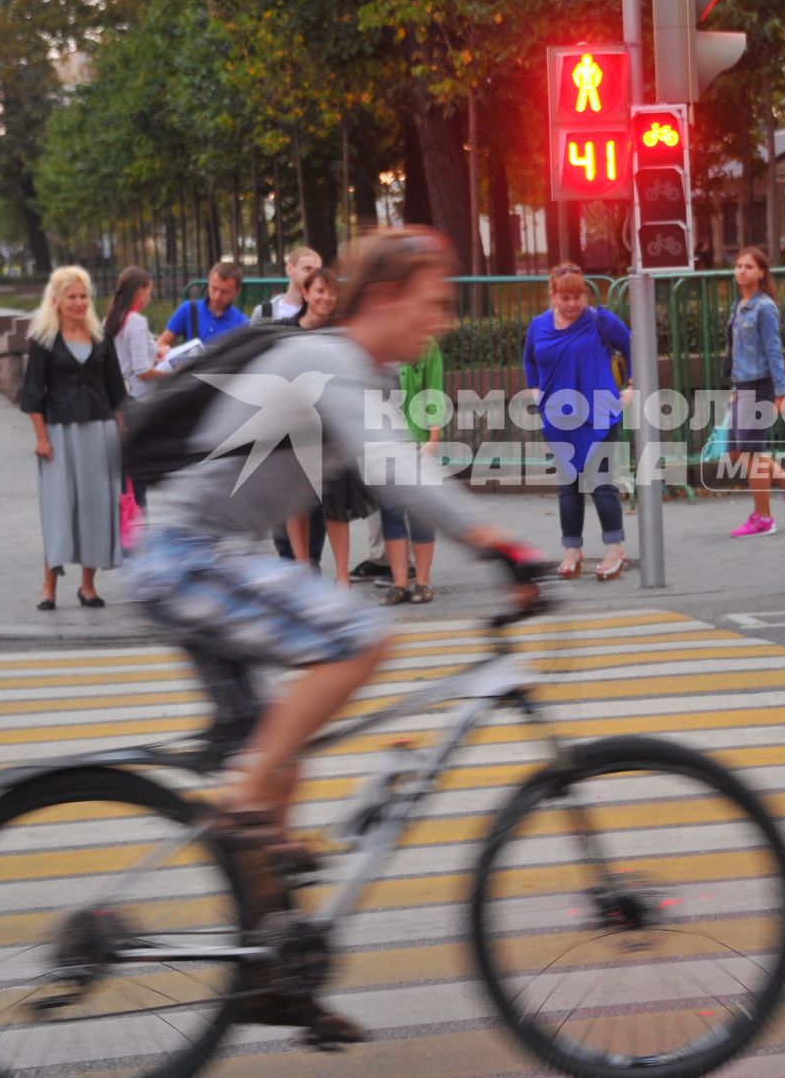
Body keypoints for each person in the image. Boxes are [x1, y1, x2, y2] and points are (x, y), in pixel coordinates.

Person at [133, 230, 538, 1039]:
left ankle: (274, 971)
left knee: (279, 760)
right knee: (361, 634)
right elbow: (395, 470)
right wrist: (498, 541)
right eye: (433, 305)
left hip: (198, 555)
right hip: (188, 558)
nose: (442, 323)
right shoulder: (332, 362)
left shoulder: (352, 368)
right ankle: (245, 807)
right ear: (386, 297)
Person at [19, 265, 127, 610]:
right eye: (72, 297)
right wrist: (41, 438)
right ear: (57, 301)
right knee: (59, 510)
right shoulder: (44, 341)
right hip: (58, 433)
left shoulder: (100, 338)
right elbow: (33, 394)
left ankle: (87, 587)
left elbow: (116, 393)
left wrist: (123, 435)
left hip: (99, 431)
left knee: (95, 508)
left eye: (83, 296)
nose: (79, 303)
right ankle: (48, 587)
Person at [523, 263, 631, 581]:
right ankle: (572, 550)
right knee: (568, 486)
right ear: (552, 296)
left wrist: (633, 387)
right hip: (557, 416)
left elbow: (633, 345)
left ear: (584, 294)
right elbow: (530, 358)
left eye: (577, 296)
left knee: (600, 483)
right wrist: (535, 391)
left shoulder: (600, 321)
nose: (572, 304)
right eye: (565, 297)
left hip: (599, 413)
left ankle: (615, 549)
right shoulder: (538, 325)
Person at [277, 267, 371, 583]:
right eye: (319, 291)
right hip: (294, 429)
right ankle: (303, 573)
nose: (326, 297)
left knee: (336, 508)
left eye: (331, 292)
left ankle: (342, 578)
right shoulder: (285, 332)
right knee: (296, 504)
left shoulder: (341, 333)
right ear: (305, 293)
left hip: (333, 430)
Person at [723, 247, 785, 538]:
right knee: (735, 452)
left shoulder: (764, 308)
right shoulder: (740, 305)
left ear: (761, 273)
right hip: (743, 385)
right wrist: (735, 387)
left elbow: (774, 352)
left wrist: (782, 392)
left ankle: (764, 518)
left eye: (748, 266)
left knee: (751, 454)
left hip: (760, 386)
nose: (741, 271)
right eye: (738, 266)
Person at [381, 335, 444, 605]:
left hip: (417, 440)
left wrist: (433, 439)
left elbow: (434, 392)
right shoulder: (376, 343)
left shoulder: (425, 344)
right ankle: (399, 583)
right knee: (391, 513)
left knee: (420, 512)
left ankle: (423, 581)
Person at [156, 261, 246, 356]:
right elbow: (161, 343)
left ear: (237, 292)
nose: (217, 296)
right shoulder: (189, 309)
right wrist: (165, 352)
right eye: (214, 288)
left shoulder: (243, 323)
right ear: (208, 284)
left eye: (225, 292)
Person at [105, 265, 167, 399]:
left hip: (118, 395)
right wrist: (175, 375)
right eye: (149, 293)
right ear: (140, 291)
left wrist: (155, 353)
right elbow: (143, 372)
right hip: (141, 398)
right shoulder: (136, 322)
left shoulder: (109, 320)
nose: (149, 299)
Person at [250, 246, 323, 324]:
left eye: (317, 271)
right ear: (290, 269)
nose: (312, 275)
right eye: (307, 269)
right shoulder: (264, 312)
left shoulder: (323, 312)